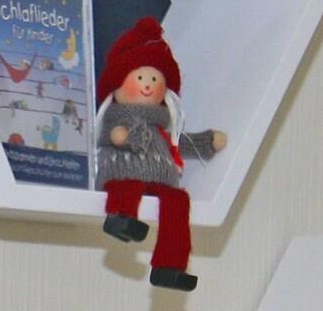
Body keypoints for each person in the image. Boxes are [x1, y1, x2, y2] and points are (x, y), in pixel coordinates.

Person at [94, 17, 226, 291]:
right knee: (127, 186)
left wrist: (207, 142)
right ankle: (120, 219)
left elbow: (178, 144)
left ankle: (170, 267)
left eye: (154, 79)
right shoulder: (115, 118)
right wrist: (123, 136)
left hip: (160, 182)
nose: (147, 85)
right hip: (122, 173)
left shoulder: (162, 129)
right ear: (118, 84)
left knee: (178, 201)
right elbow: (113, 136)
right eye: (140, 78)